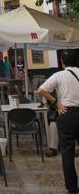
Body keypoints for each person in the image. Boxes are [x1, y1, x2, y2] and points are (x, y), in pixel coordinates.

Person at [37, 49, 79, 194]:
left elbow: (40, 90)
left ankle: (72, 188)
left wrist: (56, 103)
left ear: (62, 62)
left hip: (66, 113)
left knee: (67, 152)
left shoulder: (58, 75)